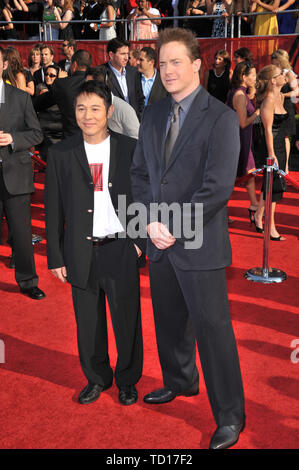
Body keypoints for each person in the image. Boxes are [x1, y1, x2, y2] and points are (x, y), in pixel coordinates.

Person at [131, 27, 245, 450]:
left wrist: (172, 227)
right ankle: (180, 382)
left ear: (197, 64)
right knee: (170, 324)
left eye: (176, 61)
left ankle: (231, 416)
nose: (168, 70)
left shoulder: (221, 117)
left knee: (213, 332)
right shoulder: (154, 114)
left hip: (198, 244)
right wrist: (147, 223)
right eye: (162, 63)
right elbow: (140, 173)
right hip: (158, 240)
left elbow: (216, 188)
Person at [45, 80, 144, 406]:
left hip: (120, 248)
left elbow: (145, 196)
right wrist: (56, 256)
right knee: (88, 324)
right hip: (80, 250)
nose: (87, 115)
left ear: (109, 112)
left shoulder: (130, 148)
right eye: (81, 108)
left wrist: (138, 240)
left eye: (95, 109)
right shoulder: (61, 153)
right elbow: (53, 207)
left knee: (127, 320)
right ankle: (97, 378)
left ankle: (128, 379)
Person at [0, 45, 45, 300]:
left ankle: (28, 281)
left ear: (4, 65)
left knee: (22, 232)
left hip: (15, 174)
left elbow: (37, 134)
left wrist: (12, 138)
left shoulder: (20, 97)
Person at [254, 65, 288, 241]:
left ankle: (258, 216)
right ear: (273, 81)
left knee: (270, 186)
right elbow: (267, 129)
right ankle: (270, 226)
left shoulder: (280, 96)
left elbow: (283, 129)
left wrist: (285, 157)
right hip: (271, 148)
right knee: (273, 190)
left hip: (281, 146)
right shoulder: (268, 100)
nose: (284, 75)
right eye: (280, 74)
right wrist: (272, 154)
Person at [227, 61, 260, 222]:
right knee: (233, 177)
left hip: (242, 140)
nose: (255, 78)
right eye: (252, 75)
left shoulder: (240, 92)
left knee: (249, 174)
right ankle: (219, 211)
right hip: (239, 141)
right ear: (244, 76)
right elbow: (243, 123)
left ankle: (254, 204)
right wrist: (258, 113)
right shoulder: (239, 95)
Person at [34, 49, 92, 138]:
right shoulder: (97, 82)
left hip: (71, 139)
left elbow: (40, 103)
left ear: (74, 65)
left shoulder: (62, 84)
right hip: (95, 138)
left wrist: (60, 80)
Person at [85, 66, 140, 139]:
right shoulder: (85, 108)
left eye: (90, 86)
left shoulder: (124, 109)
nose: (86, 89)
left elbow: (137, 139)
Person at [102, 38, 145, 121]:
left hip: (134, 124)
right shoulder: (102, 73)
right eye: (122, 54)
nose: (126, 58)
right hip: (113, 125)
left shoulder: (134, 72)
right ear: (111, 55)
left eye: (127, 54)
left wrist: (139, 118)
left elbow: (140, 98)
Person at [271, 49, 298, 174]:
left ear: (281, 62)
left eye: (276, 62)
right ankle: (277, 165)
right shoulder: (273, 73)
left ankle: (285, 167)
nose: (274, 64)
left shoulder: (289, 74)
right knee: (276, 136)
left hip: (286, 108)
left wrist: (283, 95)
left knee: (285, 136)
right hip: (275, 108)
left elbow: (297, 92)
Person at [36, 64, 63, 161]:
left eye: (52, 75)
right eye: (46, 74)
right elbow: (46, 95)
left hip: (60, 131)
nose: (48, 77)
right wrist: (61, 84)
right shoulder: (41, 86)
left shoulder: (63, 90)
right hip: (46, 132)